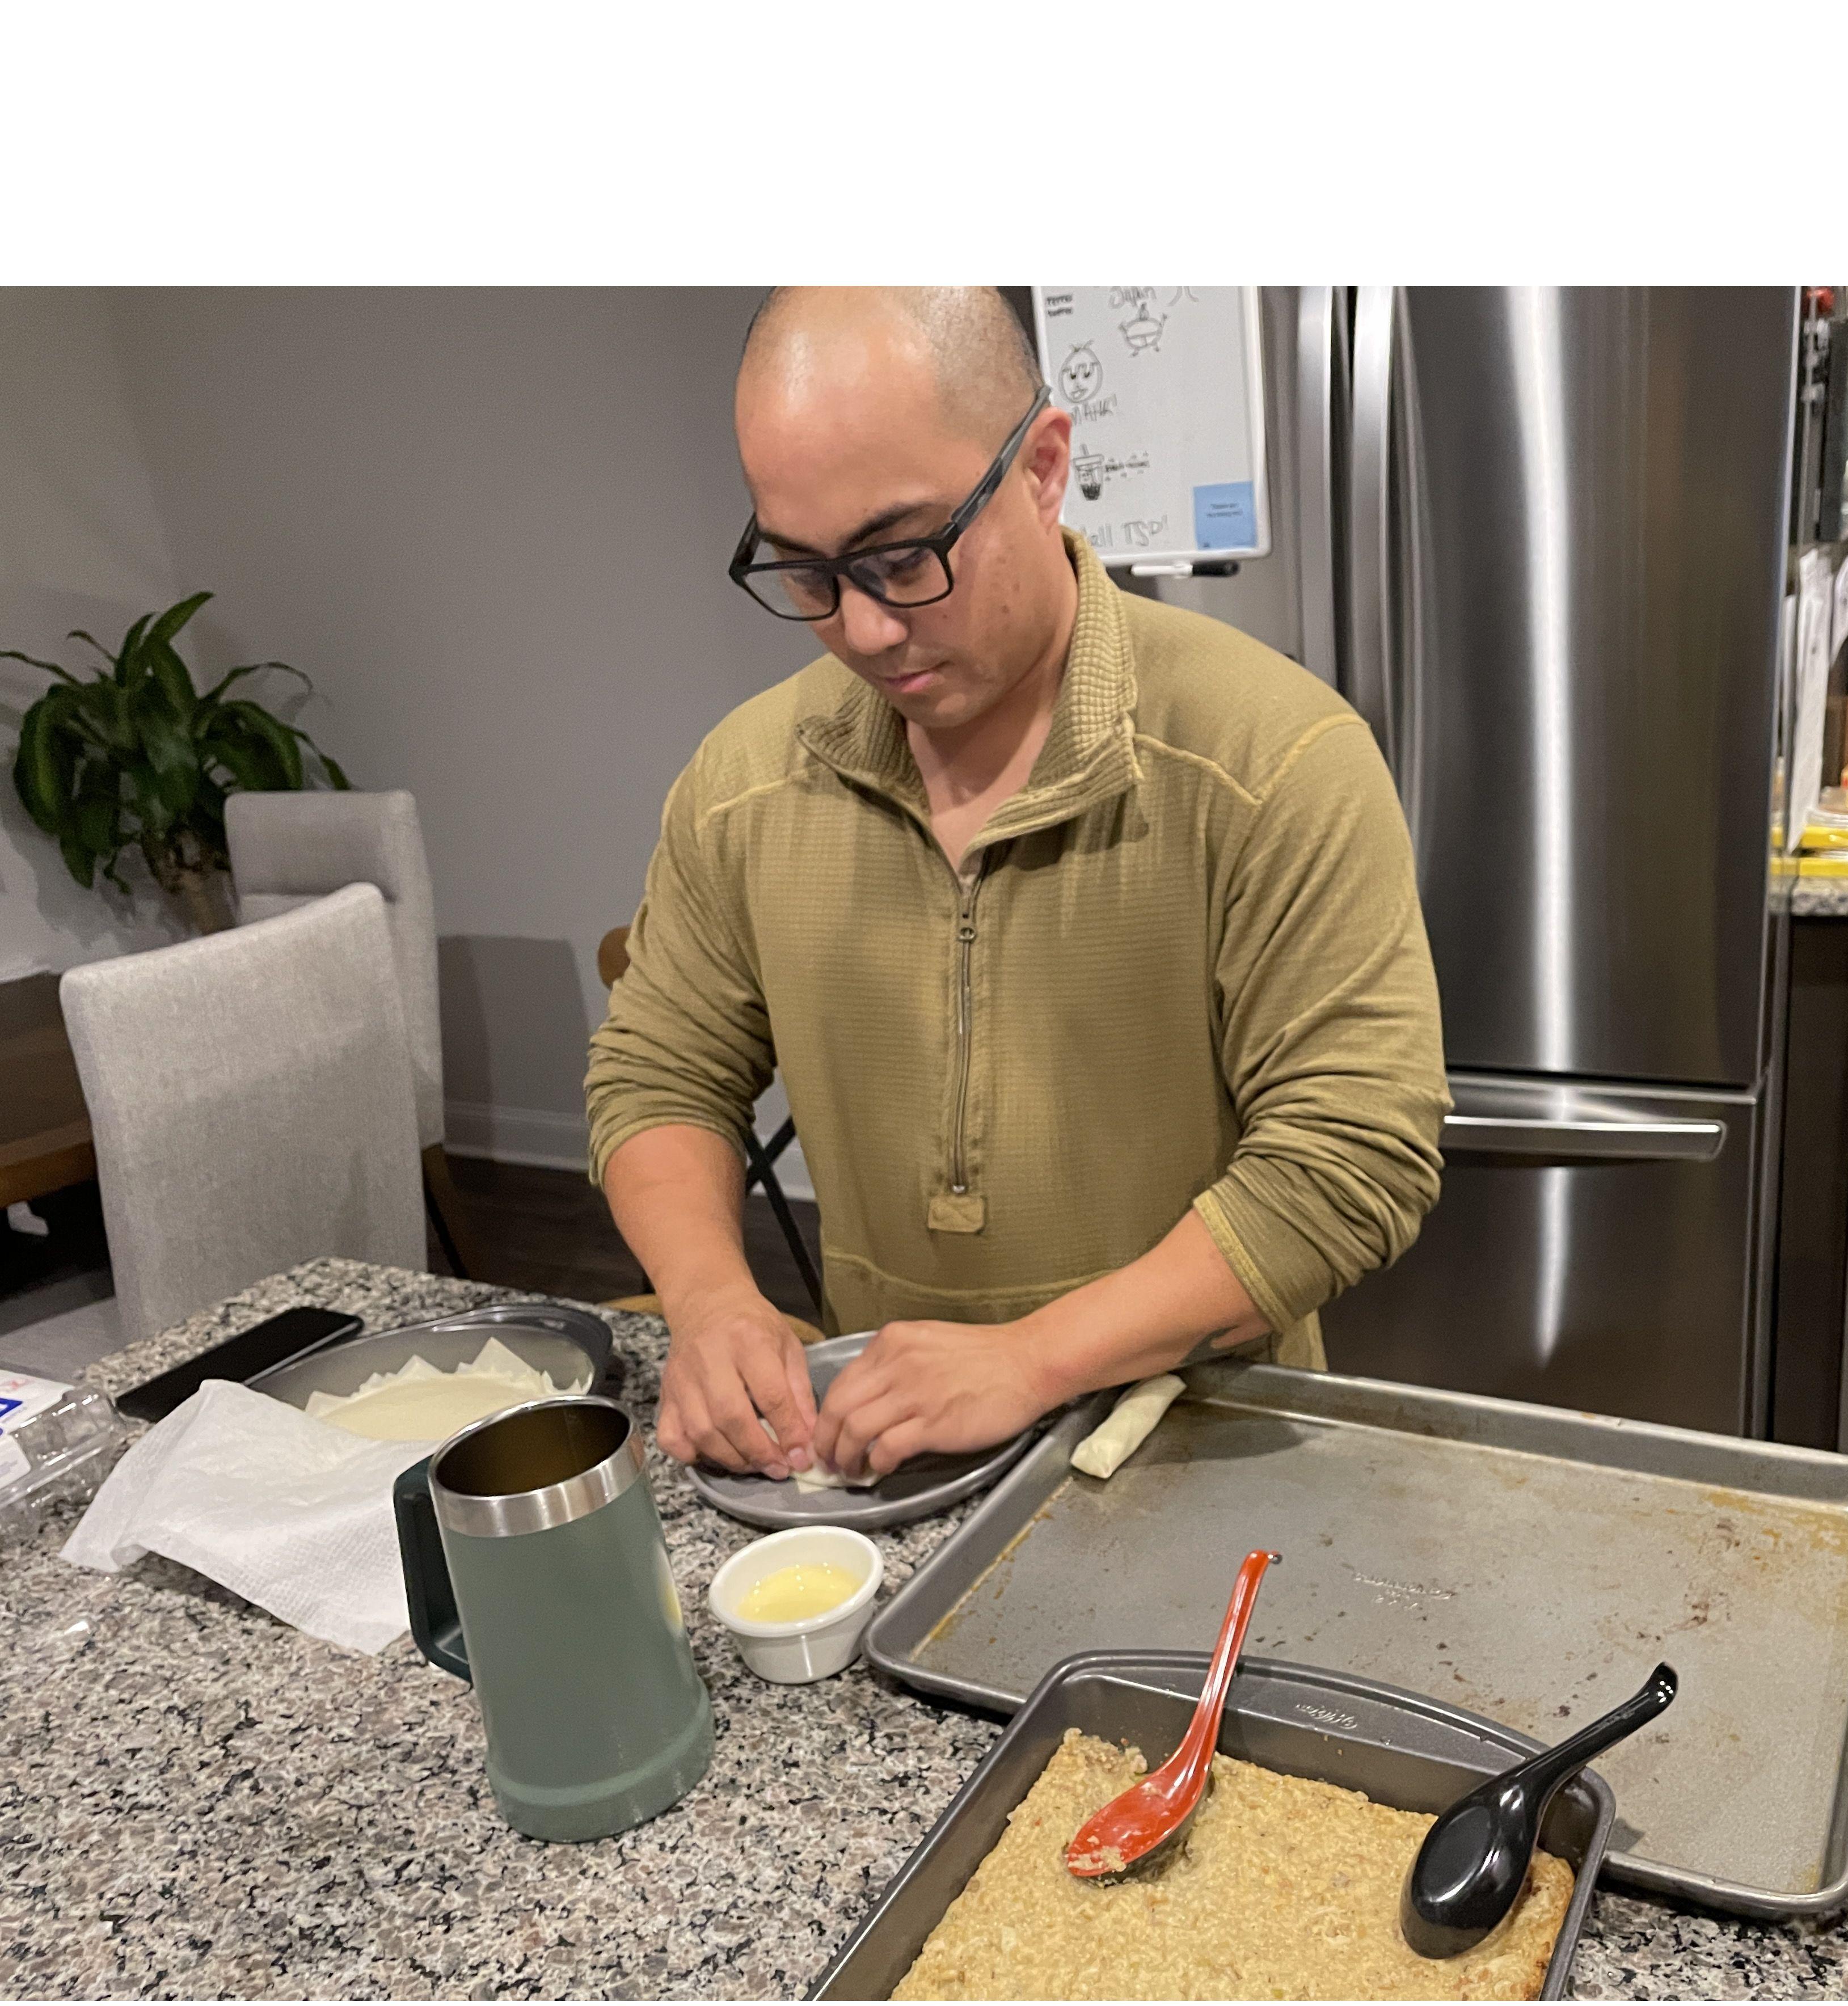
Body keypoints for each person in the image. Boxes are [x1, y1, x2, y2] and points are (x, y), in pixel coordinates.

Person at [586, 286, 1446, 1484]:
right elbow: (660, 1073)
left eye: (904, 557)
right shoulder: (745, 783)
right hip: (885, 1451)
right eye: (806, 573)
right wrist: (711, 1299)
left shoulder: (1272, 759)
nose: (864, 630)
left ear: (1042, 467)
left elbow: (1350, 1159)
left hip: (1196, 1439)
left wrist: (1035, 1359)